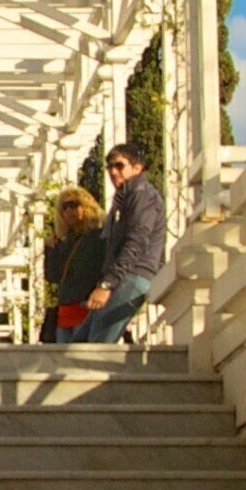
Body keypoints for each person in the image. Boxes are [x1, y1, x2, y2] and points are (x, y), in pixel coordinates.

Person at [77, 143, 164, 344]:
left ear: (137, 167)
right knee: (80, 342)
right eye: (109, 167)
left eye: (119, 165)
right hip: (122, 276)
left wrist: (107, 285)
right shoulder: (125, 197)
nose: (113, 171)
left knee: (95, 348)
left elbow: (137, 242)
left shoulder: (142, 195)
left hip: (133, 275)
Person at [41, 185, 106, 344]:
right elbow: (53, 276)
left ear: (86, 207)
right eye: (64, 207)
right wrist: (51, 251)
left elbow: (101, 268)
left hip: (85, 309)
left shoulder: (97, 237)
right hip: (65, 313)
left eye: (74, 204)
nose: (69, 210)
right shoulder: (64, 242)